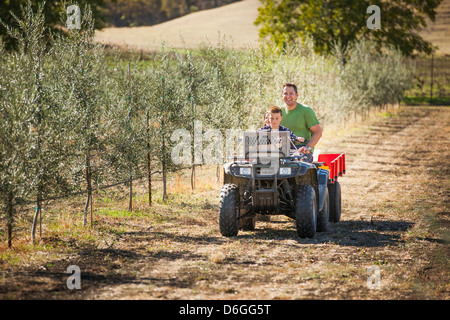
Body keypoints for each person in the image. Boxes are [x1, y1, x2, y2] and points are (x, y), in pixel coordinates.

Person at [280, 82, 322, 162]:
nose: (288, 96)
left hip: (301, 149)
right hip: (283, 150)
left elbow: (318, 132)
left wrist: (308, 147)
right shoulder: (279, 112)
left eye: (291, 93)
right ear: (282, 96)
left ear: (297, 95)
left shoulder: (306, 111)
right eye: (285, 93)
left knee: (297, 165)